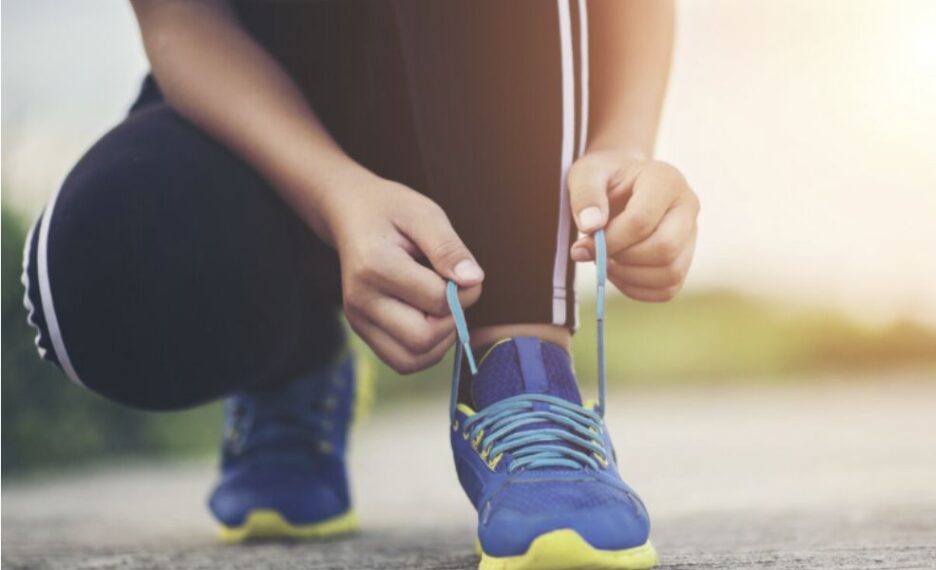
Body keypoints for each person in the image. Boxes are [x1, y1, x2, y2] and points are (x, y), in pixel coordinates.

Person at [22, 1, 698, 568]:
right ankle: (293, 359)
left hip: (487, 94)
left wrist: (623, 146)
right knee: (97, 271)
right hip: (273, 102)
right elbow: (177, 19)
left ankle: (523, 373)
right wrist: (336, 195)